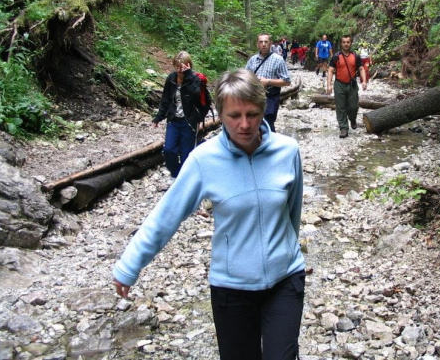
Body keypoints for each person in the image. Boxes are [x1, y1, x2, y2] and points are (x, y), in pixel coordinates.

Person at [113, 69, 306, 360]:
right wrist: (130, 265)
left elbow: (292, 212)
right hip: (231, 287)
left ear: (263, 108)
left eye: (252, 114)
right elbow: (167, 216)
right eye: (234, 116)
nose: (244, 124)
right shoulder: (204, 160)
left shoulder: (287, 151)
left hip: (285, 280)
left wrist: (290, 253)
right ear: (220, 113)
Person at [152, 51, 203, 178]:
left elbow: (195, 96)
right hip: (174, 120)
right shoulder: (171, 78)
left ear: (189, 65)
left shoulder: (195, 79)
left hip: (189, 121)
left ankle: (184, 177)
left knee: (187, 153)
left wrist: (189, 76)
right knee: (169, 149)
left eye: (182, 66)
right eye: (177, 66)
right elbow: (166, 99)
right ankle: (176, 173)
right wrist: (159, 116)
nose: (179, 70)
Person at [245, 33, 291, 132]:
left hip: (271, 97)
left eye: (266, 42)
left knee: (267, 123)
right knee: (254, 123)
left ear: (270, 44)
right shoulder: (252, 60)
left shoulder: (278, 60)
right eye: (261, 42)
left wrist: (268, 81)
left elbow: (287, 81)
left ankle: (271, 144)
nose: (263, 44)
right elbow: (244, 78)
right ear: (257, 44)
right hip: (254, 97)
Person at [326, 35, 367, 138]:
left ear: (351, 43)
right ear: (341, 43)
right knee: (340, 107)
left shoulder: (355, 56)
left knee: (353, 106)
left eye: (348, 42)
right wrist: (329, 85)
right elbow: (330, 70)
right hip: (339, 84)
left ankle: (352, 119)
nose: (346, 44)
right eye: (344, 42)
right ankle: (343, 128)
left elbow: (361, 69)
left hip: (352, 84)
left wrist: (364, 81)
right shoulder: (336, 56)